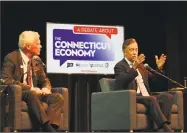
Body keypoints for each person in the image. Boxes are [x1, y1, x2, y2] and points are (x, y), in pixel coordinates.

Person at [2, 31, 64, 132]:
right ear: (28, 46)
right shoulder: (11, 58)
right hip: (20, 93)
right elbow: (6, 80)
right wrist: (30, 88)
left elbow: (45, 80)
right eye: (38, 43)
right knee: (31, 94)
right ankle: (47, 128)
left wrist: (46, 88)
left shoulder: (36, 60)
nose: (40, 46)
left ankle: (52, 128)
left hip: (35, 94)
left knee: (57, 97)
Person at [114, 38, 174, 132]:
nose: (134, 52)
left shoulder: (141, 66)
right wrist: (134, 67)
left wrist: (158, 68)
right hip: (133, 97)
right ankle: (165, 127)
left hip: (146, 96)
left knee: (168, 97)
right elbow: (122, 81)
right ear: (124, 52)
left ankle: (159, 129)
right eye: (131, 50)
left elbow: (153, 80)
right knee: (151, 99)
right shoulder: (120, 66)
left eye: (136, 49)